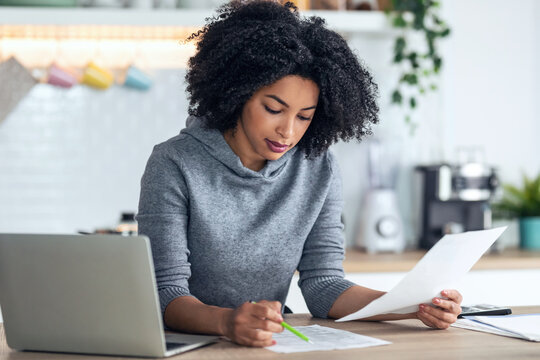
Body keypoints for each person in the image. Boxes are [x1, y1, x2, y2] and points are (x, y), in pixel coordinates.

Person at [137, 0, 462, 348]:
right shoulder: (174, 163)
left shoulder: (318, 166)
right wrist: (227, 322)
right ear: (236, 94)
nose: (288, 132)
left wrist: (411, 306)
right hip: (187, 347)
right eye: (273, 109)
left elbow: (324, 285)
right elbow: (167, 295)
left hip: (267, 343)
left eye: (304, 117)